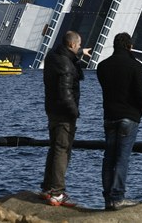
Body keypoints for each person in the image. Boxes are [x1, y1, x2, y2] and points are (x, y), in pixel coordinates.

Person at [97, 33, 142, 211]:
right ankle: (118, 196)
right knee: (122, 158)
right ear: (130, 46)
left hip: (109, 116)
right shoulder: (135, 66)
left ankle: (107, 198)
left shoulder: (102, 66)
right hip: (129, 117)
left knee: (108, 157)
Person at [41, 31, 91, 206]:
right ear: (72, 45)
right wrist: (74, 112)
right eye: (78, 45)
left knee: (54, 148)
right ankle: (57, 192)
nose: (78, 47)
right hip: (64, 114)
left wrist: (80, 52)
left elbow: (65, 55)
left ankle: (47, 188)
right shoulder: (67, 66)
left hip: (52, 110)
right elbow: (66, 94)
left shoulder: (52, 56)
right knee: (62, 151)